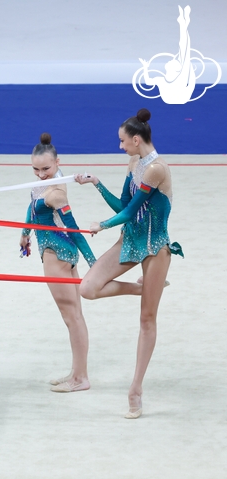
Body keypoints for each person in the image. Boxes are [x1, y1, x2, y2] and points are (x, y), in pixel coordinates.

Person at [75, 108, 182, 419]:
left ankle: (136, 388)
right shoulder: (134, 162)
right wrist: (96, 183)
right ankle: (144, 290)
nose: (120, 146)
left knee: (147, 319)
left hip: (154, 247)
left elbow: (129, 210)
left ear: (137, 139)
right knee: (88, 288)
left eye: (123, 141)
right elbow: (124, 205)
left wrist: (103, 225)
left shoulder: (156, 169)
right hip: (131, 239)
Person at [20, 133, 96, 394]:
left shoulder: (56, 193)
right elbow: (32, 206)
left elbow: (73, 228)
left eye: (46, 169)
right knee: (74, 316)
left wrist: (94, 262)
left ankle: (81, 379)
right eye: (36, 169)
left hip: (56, 253)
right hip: (60, 251)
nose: (41, 174)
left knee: (72, 317)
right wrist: (24, 234)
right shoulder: (44, 183)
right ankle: (77, 372)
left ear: (57, 163)